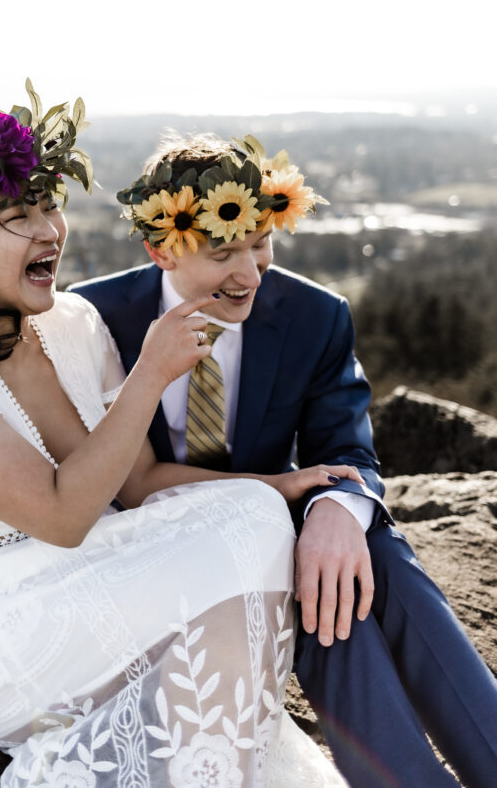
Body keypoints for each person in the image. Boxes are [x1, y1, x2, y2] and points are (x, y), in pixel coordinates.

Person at [0, 82, 350, 788]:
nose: (49, 231)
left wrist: (277, 486)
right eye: (17, 215)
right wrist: (150, 377)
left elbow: (135, 485)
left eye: (51, 206)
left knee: (257, 517)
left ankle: (202, 767)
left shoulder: (74, 324)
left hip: (81, 572)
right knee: (244, 542)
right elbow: (60, 514)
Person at [69, 130, 497, 788]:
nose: (251, 273)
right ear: (160, 247)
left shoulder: (315, 316)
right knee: (323, 577)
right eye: (222, 252)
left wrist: (334, 512)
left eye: (260, 243)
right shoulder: (93, 318)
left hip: (264, 525)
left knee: (359, 558)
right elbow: (30, 457)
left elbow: (345, 449)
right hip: (143, 547)